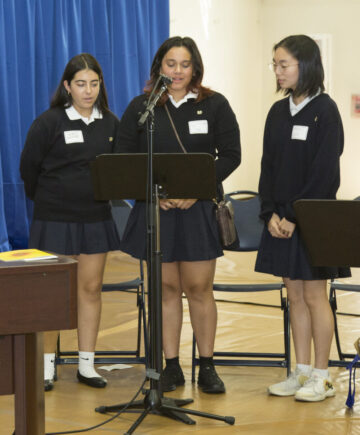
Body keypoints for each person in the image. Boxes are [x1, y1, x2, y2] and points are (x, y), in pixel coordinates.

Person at [115, 36, 241, 394]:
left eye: (185, 65)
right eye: (171, 64)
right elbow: (124, 158)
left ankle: (207, 366)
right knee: (166, 289)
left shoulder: (214, 105)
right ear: (159, 68)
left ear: (195, 68)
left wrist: (197, 189)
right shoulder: (143, 107)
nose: (178, 71)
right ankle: (170, 366)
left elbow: (231, 154)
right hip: (157, 211)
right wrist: (152, 195)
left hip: (199, 209)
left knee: (199, 288)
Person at [20, 53, 120, 391]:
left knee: (90, 289)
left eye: (94, 84)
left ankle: (87, 365)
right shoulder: (49, 122)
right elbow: (28, 170)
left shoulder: (110, 123)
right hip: (54, 219)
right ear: (67, 86)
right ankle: (47, 367)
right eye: (80, 84)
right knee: (53, 293)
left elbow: (118, 169)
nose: (88, 91)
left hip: (95, 218)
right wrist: (52, 199)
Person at [257, 34, 348, 402]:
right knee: (293, 296)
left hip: (315, 220)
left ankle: (324, 377)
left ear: (304, 65)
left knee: (314, 296)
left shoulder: (325, 110)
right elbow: (268, 168)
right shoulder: (278, 112)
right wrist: (270, 213)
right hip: (281, 221)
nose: (277, 71)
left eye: (284, 64)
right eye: (275, 64)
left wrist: (296, 214)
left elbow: (325, 173)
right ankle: (302, 371)